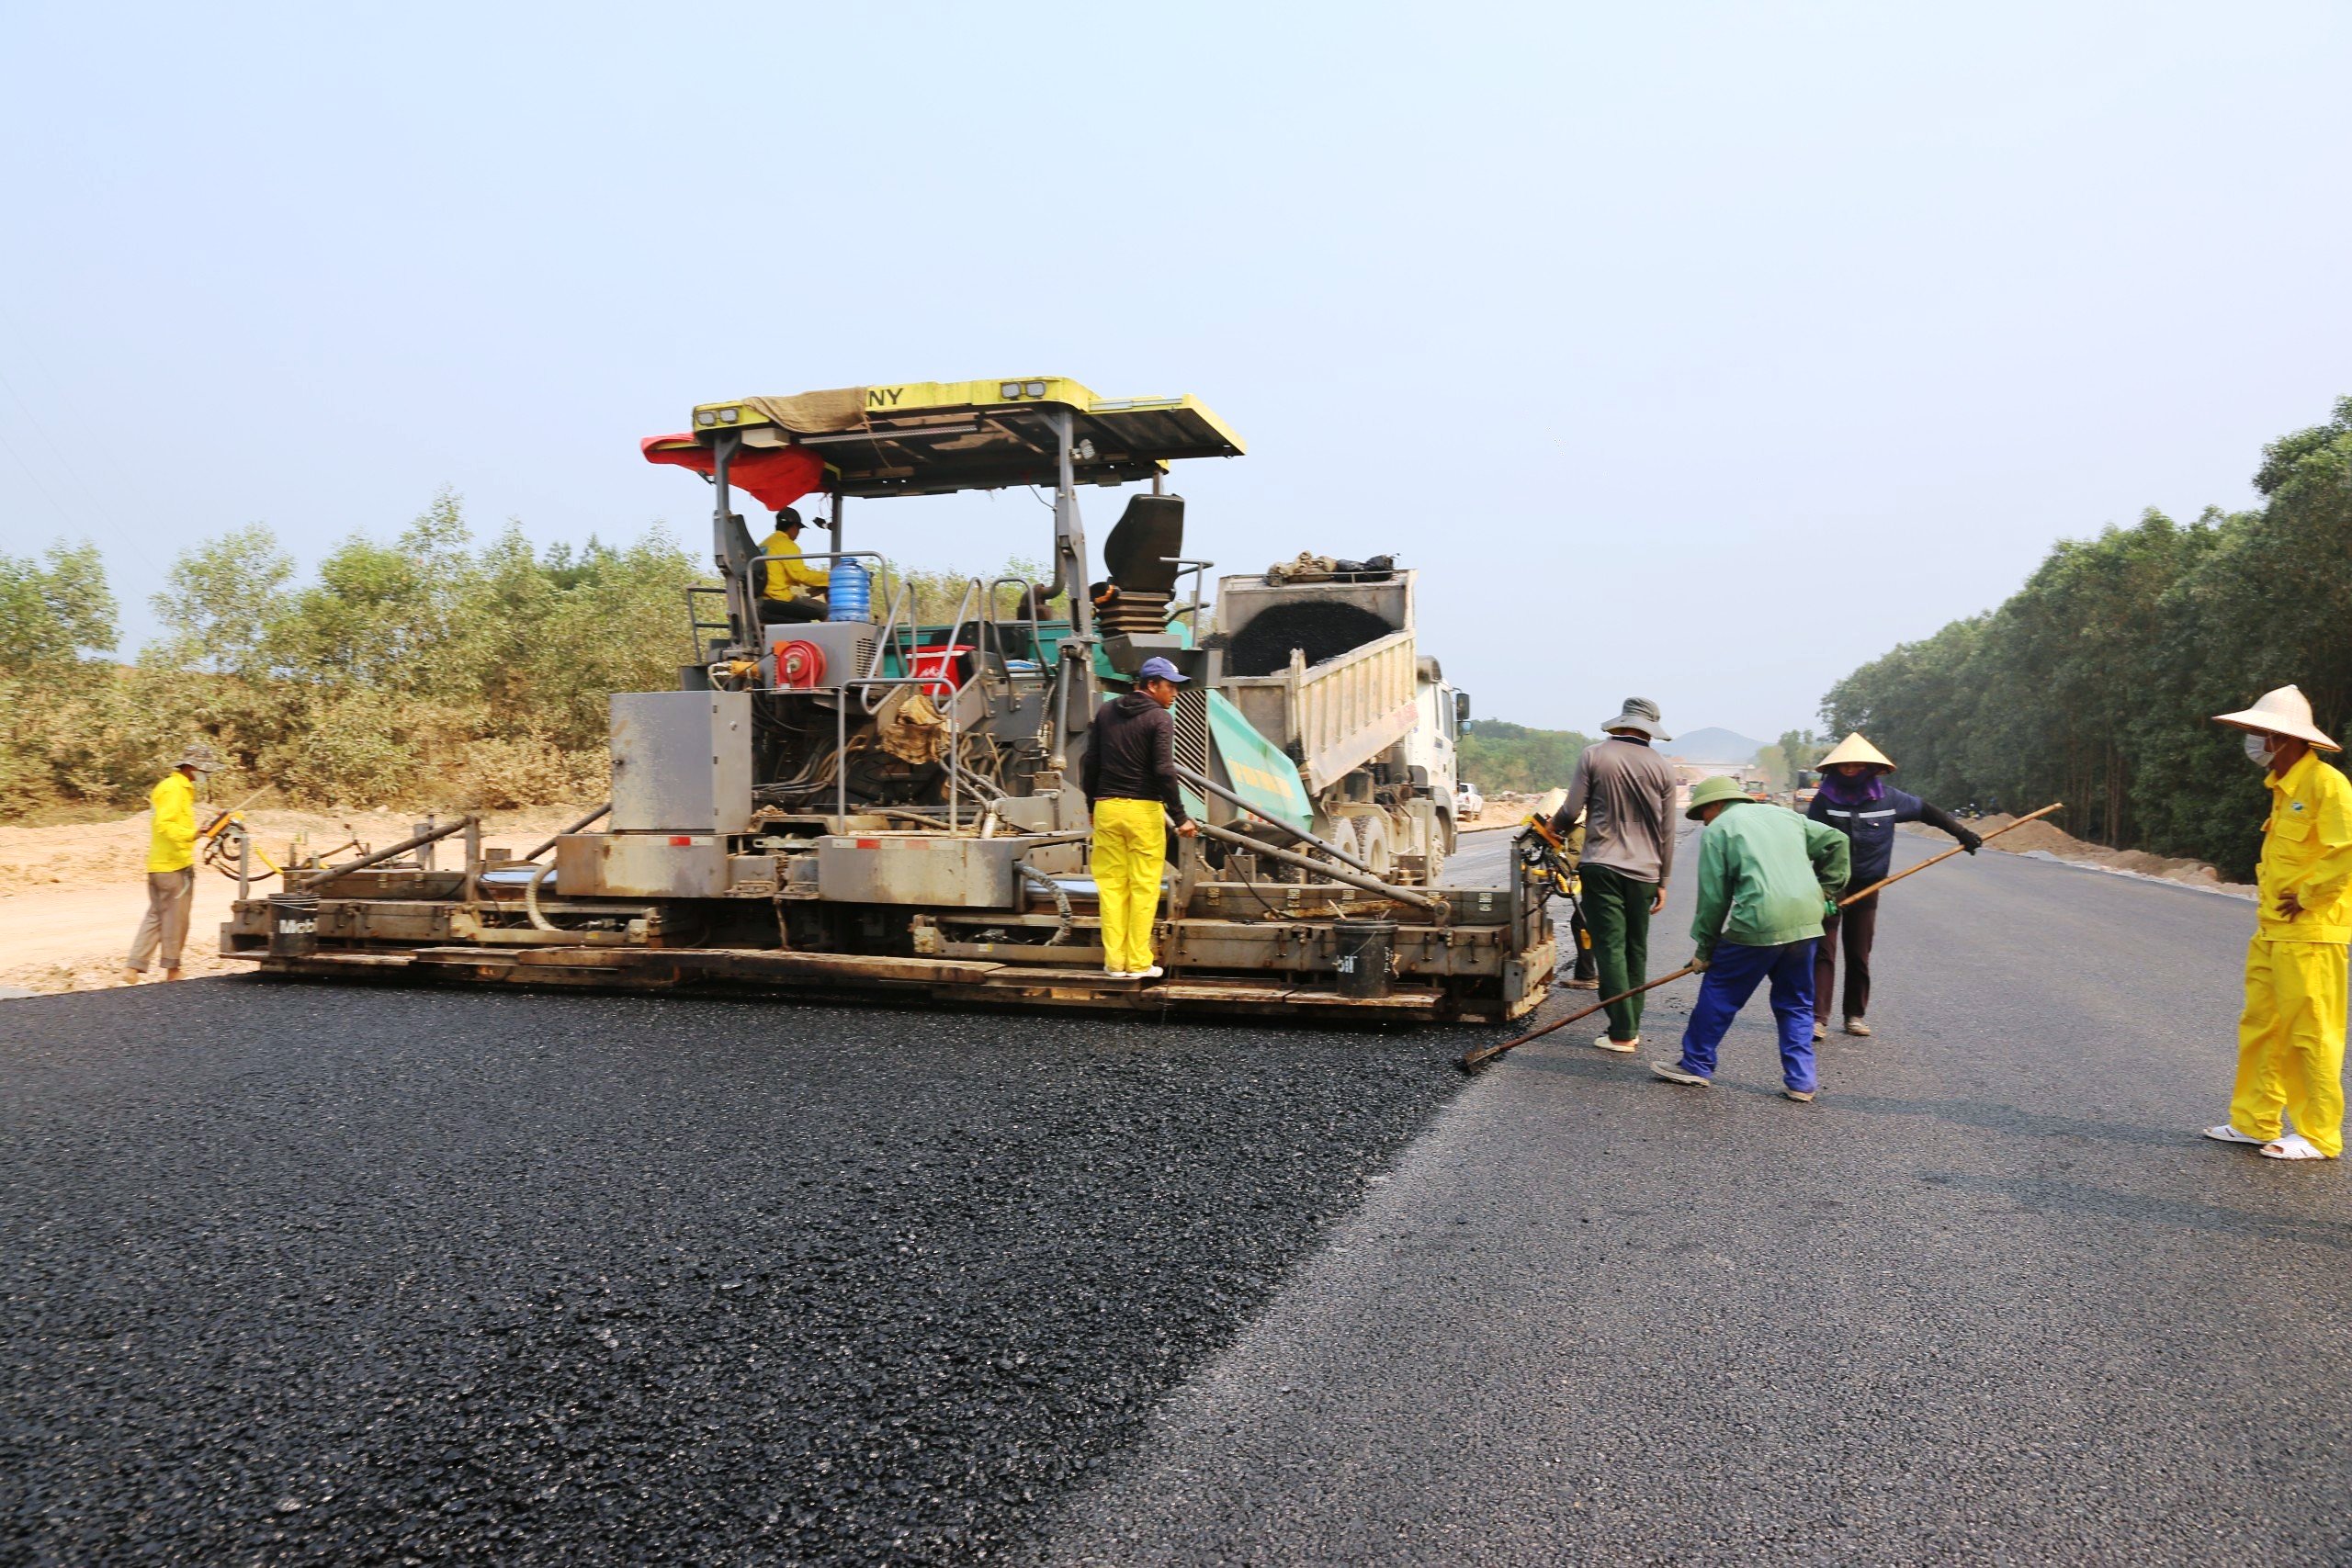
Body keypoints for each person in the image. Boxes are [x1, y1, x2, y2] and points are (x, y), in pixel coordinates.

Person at [2203, 684, 2352, 1161]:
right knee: (2262, 1025)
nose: (2253, 741)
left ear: (2284, 739)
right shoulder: (2283, 790)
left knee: (2309, 1032)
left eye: (2259, 733)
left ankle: (2318, 1134)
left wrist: (2308, 897)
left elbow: (2346, 851)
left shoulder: (2327, 786)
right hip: (2272, 931)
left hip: (2312, 932)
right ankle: (2253, 1120)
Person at [1654, 775, 1852, 1101]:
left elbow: (1714, 900)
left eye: (1703, 813)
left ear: (1715, 805)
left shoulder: (1719, 830)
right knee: (1797, 1002)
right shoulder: (1784, 815)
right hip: (1806, 921)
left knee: (1720, 992)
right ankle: (1801, 1082)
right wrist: (1829, 889)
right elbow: (1837, 840)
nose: (1704, 821)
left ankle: (1696, 1064)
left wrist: (1705, 948)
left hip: (1758, 922)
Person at [1804, 733, 1983, 1042]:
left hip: (1869, 883)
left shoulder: (1889, 799)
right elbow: (1808, 841)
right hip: (1831, 885)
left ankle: (1854, 1016)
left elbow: (1928, 811)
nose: (1850, 769)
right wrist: (1814, 886)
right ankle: (1818, 1018)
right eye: (1844, 765)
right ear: (1834, 768)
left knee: (1859, 951)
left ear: (1870, 767)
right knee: (1823, 951)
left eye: (1856, 764)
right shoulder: (1825, 801)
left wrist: (1962, 833)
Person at [1547, 697, 1679, 1052]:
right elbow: (1668, 832)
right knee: (1637, 948)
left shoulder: (1594, 755)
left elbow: (1572, 809)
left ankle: (1622, 1031)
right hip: (1646, 872)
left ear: (1621, 723)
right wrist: (1664, 881)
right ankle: (1629, 1025)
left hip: (1602, 866)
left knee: (1610, 947)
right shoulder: (1664, 769)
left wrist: (1552, 828)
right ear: (1650, 729)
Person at [1081, 656, 1199, 978]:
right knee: (1143, 887)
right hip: (1142, 810)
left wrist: (1092, 805)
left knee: (1111, 886)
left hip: (1107, 808)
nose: (1174, 693)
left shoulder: (1106, 711)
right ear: (1151, 685)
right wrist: (1181, 816)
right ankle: (1137, 963)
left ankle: (1114, 963)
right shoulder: (1159, 719)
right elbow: (1163, 769)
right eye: (1170, 686)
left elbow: (1090, 762)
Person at [122, 743, 217, 984]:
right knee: (176, 918)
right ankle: (173, 970)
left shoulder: (179, 788)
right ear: (192, 766)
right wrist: (193, 834)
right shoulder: (173, 789)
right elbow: (165, 825)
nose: (206, 775)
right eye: (205, 770)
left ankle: (133, 967)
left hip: (160, 864)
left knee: (156, 915)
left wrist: (196, 831)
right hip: (173, 866)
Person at [757, 507, 830, 626]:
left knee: (808, 603)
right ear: (794, 527)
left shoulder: (764, 544)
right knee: (826, 610)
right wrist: (831, 578)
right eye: (799, 528)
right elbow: (801, 576)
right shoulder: (787, 545)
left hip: (763, 597)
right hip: (779, 598)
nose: (798, 533)